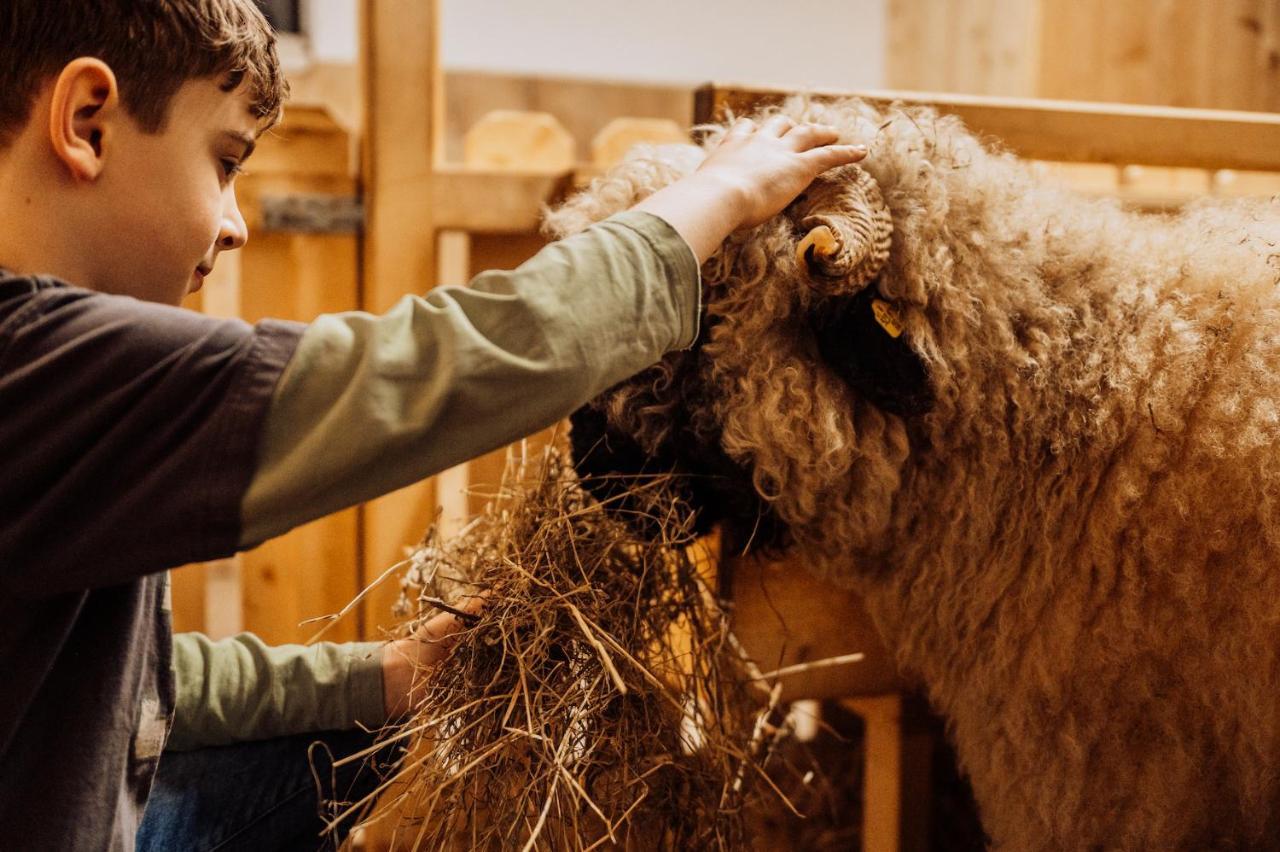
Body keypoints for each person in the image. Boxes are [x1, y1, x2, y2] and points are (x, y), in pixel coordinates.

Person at [0, 1, 869, 849]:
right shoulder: (33, 373)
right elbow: (411, 373)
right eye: (225, 162)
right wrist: (706, 206)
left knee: (356, 743)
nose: (235, 226)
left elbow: (137, 687)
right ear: (88, 121)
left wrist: (386, 677)